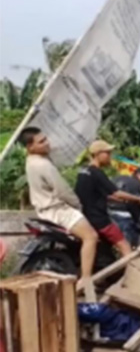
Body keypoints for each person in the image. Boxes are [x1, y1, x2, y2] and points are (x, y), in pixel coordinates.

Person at [20, 127, 99, 299]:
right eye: (41, 141)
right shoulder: (43, 164)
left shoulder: (31, 161)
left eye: (45, 139)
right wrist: (77, 205)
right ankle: (85, 279)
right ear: (30, 146)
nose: (47, 143)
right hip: (58, 210)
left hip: (45, 210)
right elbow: (62, 191)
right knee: (91, 237)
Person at [75, 140, 140, 258]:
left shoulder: (83, 171)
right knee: (125, 246)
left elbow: (102, 193)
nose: (110, 157)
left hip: (85, 216)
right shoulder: (97, 172)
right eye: (107, 153)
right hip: (99, 218)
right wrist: (139, 199)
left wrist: (122, 199)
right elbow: (117, 192)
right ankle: (131, 274)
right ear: (97, 154)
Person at [109, 167, 140, 246]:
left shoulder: (119, 178)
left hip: (108, 211)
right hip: (123, 214)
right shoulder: (139, 184)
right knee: (128, 242)